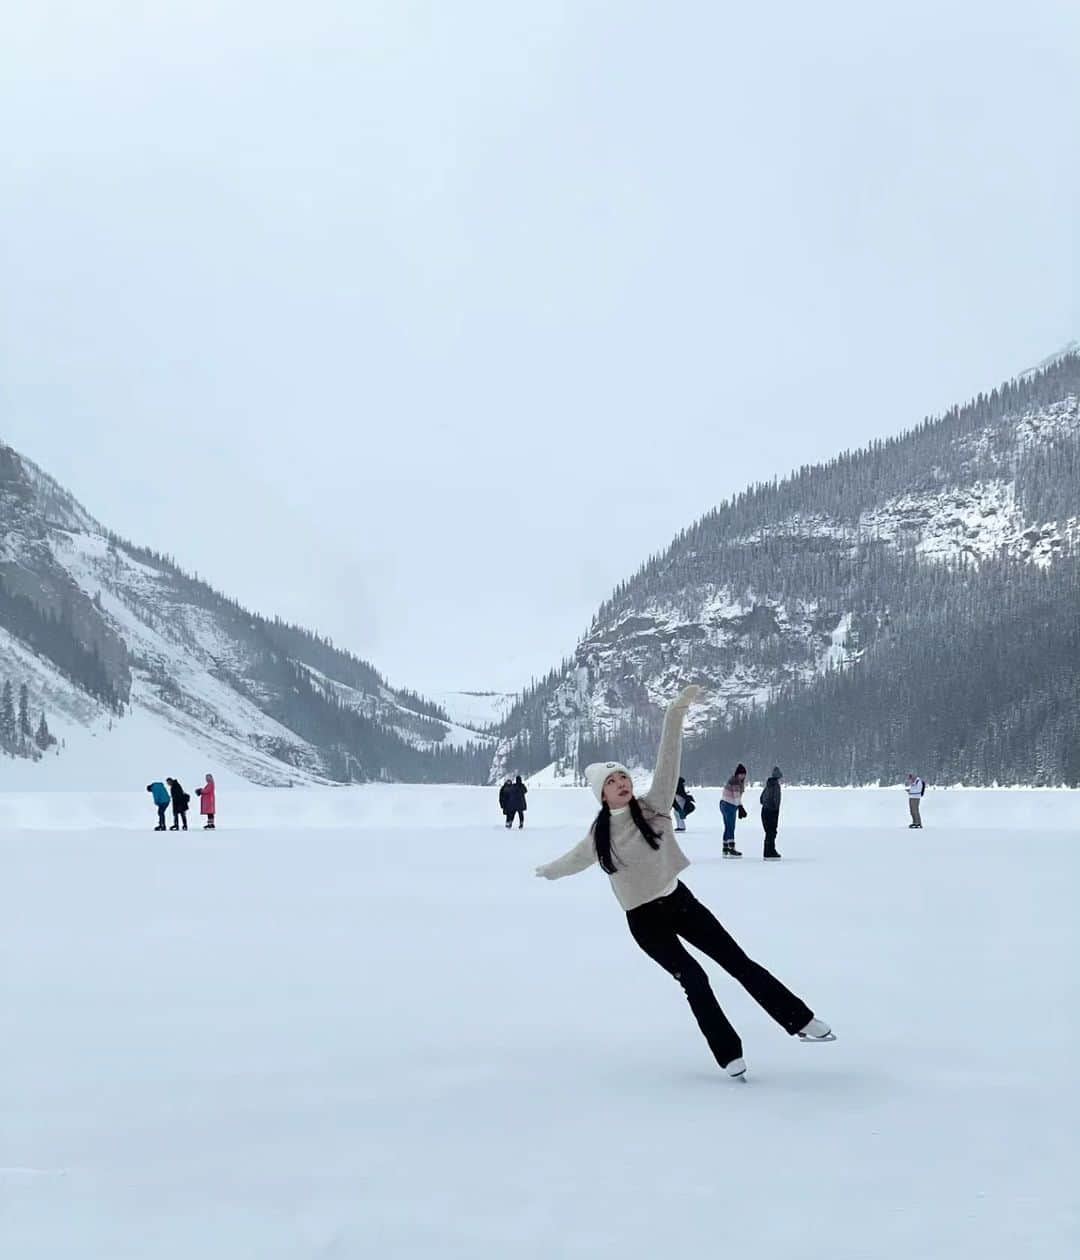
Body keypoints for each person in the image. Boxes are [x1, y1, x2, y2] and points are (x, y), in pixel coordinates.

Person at [535, 686, 834, 1079]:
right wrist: (548, 871)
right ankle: (729, 1055)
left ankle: (800, 1020)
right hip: (644, 922)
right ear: (601, 794)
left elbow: (668, 759)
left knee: (737, 961)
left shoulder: (654, 805)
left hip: (680, 903)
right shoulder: (599, 835)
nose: (622, 782)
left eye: (624, 776)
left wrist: (675, 713)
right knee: (694, 978)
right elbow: (573, 860)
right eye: (613, 781)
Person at [719, 763, 748, 857]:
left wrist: (739, 806)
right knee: (731, 827)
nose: (743, 776)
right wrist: (740, 807)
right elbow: (736, 796)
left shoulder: (733, 780)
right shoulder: (735, 781)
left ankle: (725, 848)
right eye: (741, 774)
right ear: (737, 774)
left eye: (744, 774)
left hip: (724, 803)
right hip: (729, 805)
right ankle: (731, 849)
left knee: (727, 826)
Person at [760, 767, 783, 860]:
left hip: (764, 810)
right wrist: (775, 809)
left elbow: (761, 799)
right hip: (772, 812)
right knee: (772, 832)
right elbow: (776, 800)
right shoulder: (776, 786)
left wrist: (766, 804)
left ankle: (768, 851)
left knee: (768, 832)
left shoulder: (767, 785)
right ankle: (770, 852)